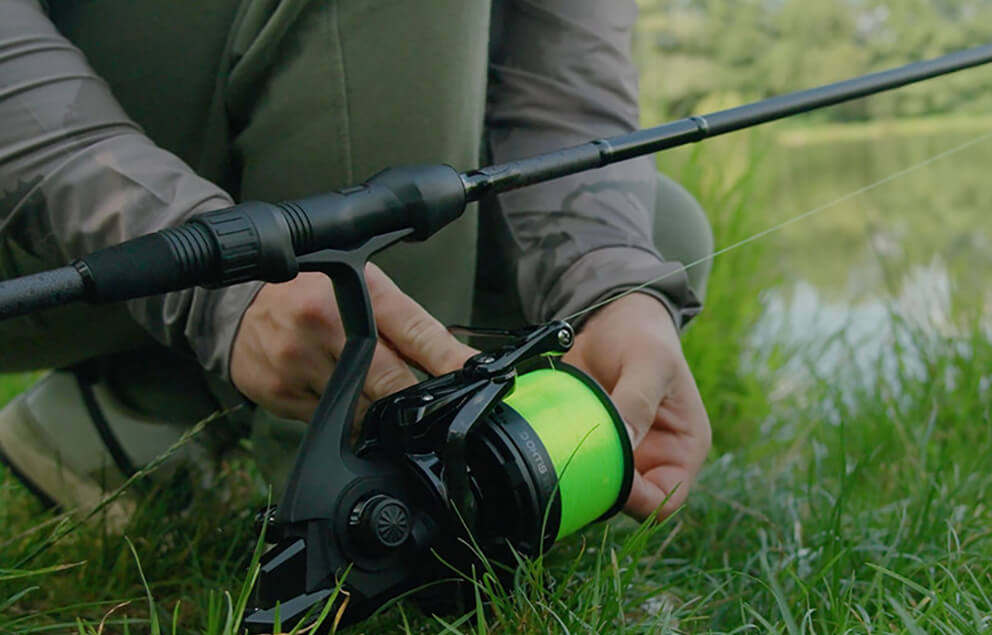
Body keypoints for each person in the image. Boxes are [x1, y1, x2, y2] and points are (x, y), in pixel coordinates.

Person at [0, 0, 713, 530]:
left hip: (161, 187)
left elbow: (566, 83)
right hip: (35, 232)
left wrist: (608, 279)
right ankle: (353, 517)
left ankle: (131, 413)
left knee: (661, 233)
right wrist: (217, 285)